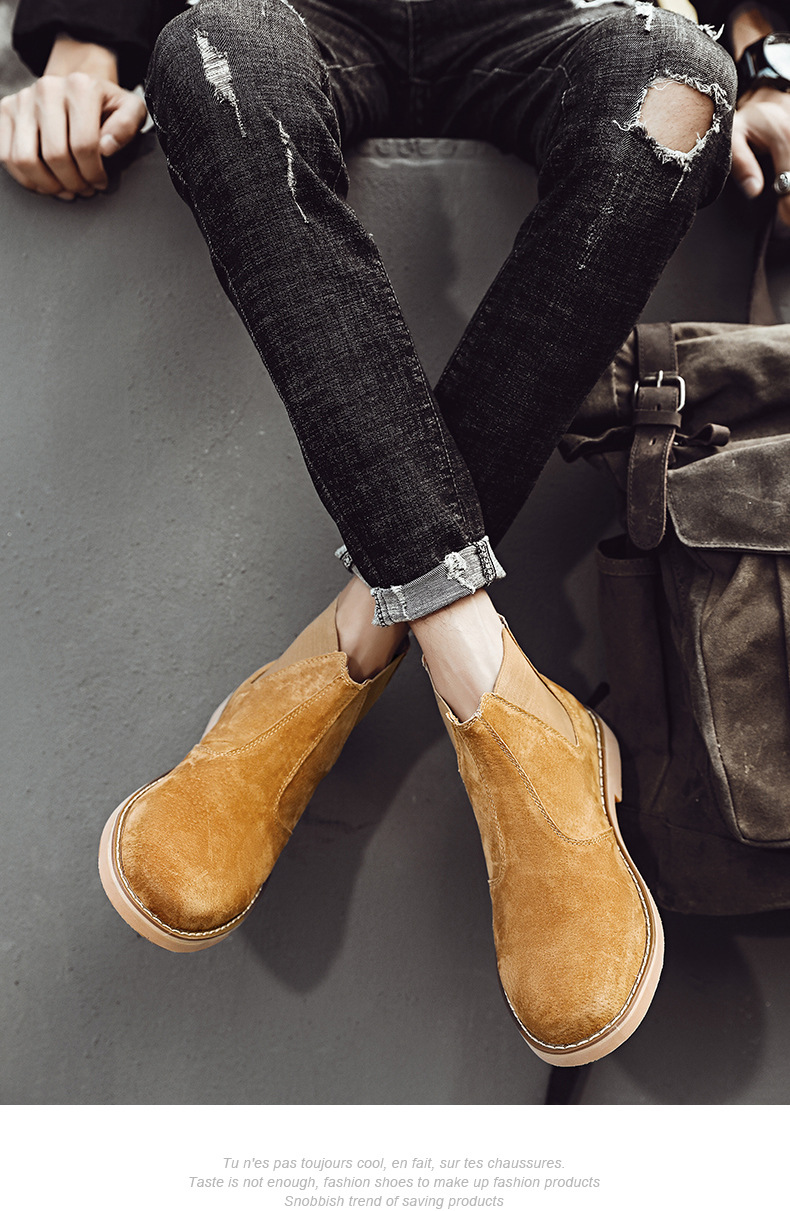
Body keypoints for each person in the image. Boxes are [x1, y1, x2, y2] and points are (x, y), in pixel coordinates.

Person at [2, 0, 787, 1068]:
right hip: (302, 12)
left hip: (558, 16)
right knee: (213, 57)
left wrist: (768, 64)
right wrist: (85, 43)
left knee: (680, 81)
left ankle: (345, 648)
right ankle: (495, 689)